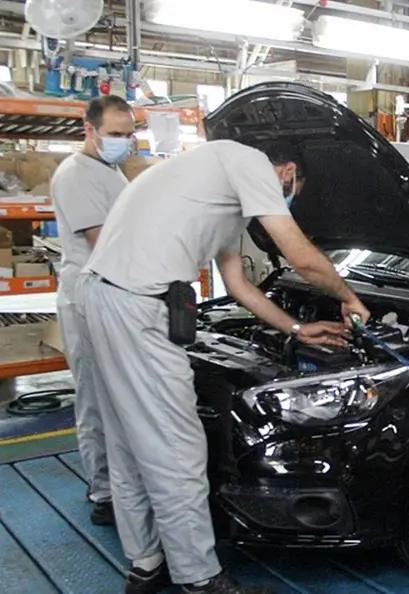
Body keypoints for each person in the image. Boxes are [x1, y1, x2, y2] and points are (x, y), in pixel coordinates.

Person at [77, 139, 370, 594]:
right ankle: (200, 578)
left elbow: (238, 286)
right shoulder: (248, 162)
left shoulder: (216, 179)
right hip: (136, 305)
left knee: (127, 440)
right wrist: (349, 298)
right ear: (286, 170)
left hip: (103, 295)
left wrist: (296, 329)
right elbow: (300, 256)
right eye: (293, 189)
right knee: (178, 448)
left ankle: (146, 564)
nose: (286, 197)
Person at [50, 95, 135, 526]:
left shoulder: (109, 169)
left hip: (113, 293)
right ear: (90, 129)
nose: (123, 141)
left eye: (128, 134)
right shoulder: (75, 174)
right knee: (96, 399)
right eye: (114, 134)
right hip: (87, 296)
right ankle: (103, 492)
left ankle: (120, 483)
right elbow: (103, 241)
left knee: (116, 395)